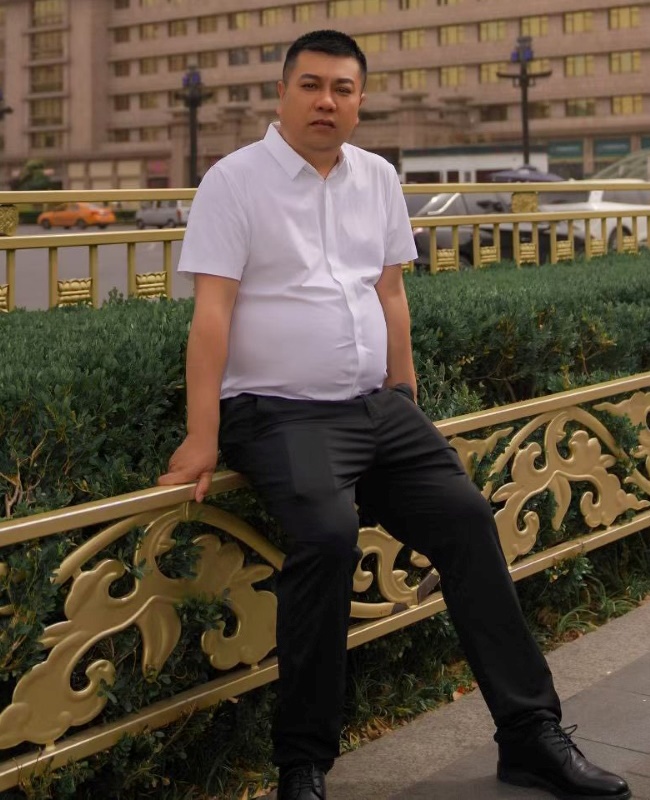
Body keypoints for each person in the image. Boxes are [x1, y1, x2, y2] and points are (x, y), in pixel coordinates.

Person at [158, 30, 631, 800]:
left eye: (342, 89)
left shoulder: (377, 177)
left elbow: (390, 293)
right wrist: (202, 435)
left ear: (360, 101)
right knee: (327, 536)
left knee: (468, 520)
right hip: (278, 413)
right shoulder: (234, 181)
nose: (326, 101)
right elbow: (212, 313)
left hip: (376, 408)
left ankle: (530, 735)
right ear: (282, 93)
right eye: (311, 85)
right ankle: (303, 764)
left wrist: (404, 400)